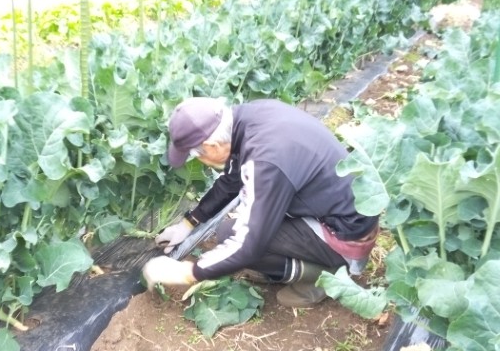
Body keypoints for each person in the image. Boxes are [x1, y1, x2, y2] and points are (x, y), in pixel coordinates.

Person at [142, 97, 379, 307]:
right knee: (240, 230)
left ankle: (327, 277)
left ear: (211, 146)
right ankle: (293, 266)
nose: (199, 160)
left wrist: (187, 272)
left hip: (346, 235)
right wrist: (188, 224)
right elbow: (231, 180)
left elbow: (248, 246)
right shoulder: (249, 119)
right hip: (342, 209)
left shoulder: (266, 161)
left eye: (196, 154)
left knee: (233, 236)